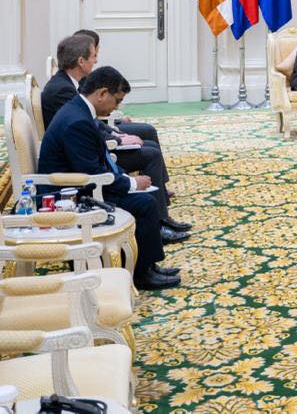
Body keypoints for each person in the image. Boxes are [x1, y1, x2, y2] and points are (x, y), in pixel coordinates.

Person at [37, 66, 179, 291]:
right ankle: (142, 273)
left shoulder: (79, 110)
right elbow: (92, 175)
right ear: (102, 93)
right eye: (117, 100)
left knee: (144, 198)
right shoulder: (77, 121)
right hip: (69, 197)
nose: (117, 107)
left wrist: (124, 178)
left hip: (78, 185)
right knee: (145, 203)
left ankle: (149, 266)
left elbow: (96, 164)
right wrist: (132, 183)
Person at [42, 34, 189, 239]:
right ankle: (158, 223)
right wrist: (128, 175)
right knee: (149, 164)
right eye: (93, 56)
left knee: (147, 139)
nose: (96, 60)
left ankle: (159, 209)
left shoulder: (73, 92)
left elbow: (91, 125)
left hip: (82, 163)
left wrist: (116, 136)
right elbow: (87, 156)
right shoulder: (64, 94)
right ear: (81, 61)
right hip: (71, 188)